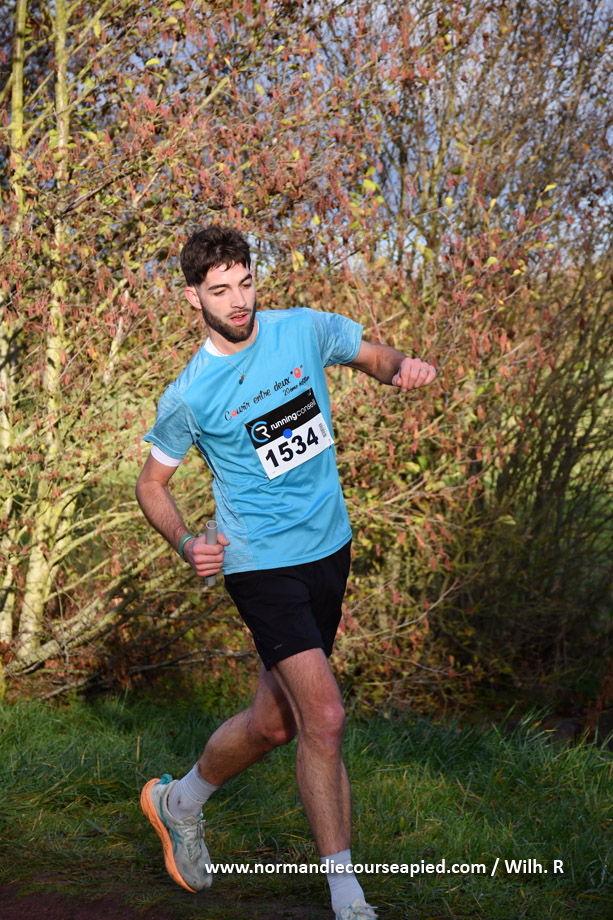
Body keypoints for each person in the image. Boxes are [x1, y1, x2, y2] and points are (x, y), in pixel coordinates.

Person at [135, 225, 436, 920]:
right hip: (259, 563)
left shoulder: (302, 329)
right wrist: (186, 542)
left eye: (245, 283)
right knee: (323, 716)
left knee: (274, 724)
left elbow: (373, 356)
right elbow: (151, 485)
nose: (237, 300)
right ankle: (346, 895)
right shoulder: (190, 395)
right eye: (219, 291)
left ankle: (179, 801)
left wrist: (402, 368)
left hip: (329, 548)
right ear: (193, 298)